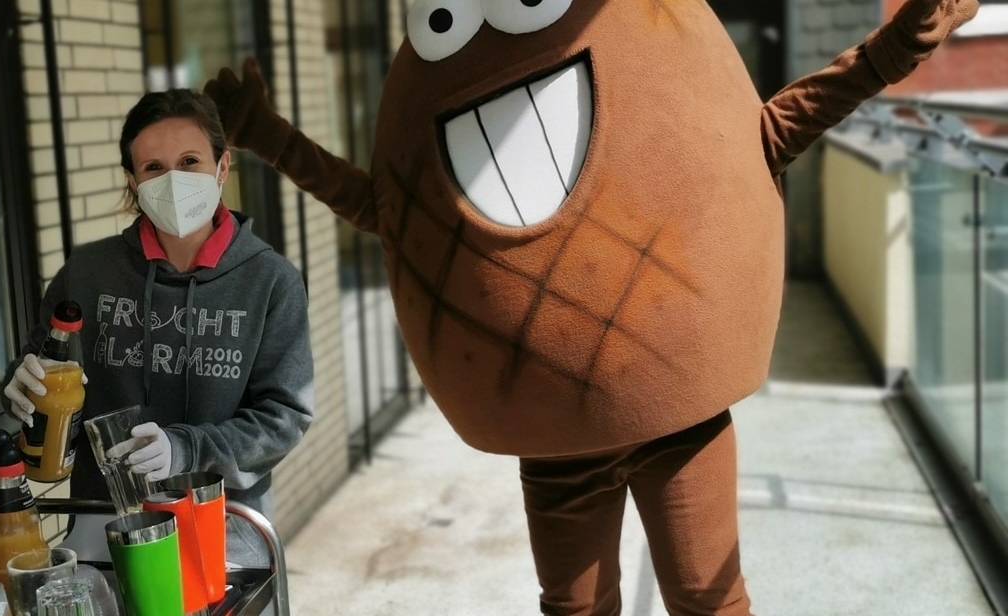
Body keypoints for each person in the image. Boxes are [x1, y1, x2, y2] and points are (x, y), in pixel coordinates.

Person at [203, 0, 976, 612]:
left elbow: (772, 129)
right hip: (555, 445)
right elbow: (382, 204)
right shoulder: (439, 59)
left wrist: (898, 45)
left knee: (708, 599)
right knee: (574, 608)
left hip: (682, 425)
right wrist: (268, 137)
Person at [2, 89, 314, 566]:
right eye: (153, 168)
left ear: (222, 168)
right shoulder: (88, 273)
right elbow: (46, 370)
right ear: (133, 180)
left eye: (190, 161)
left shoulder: (270, 283)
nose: (174, 181)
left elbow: (284, 417)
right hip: (104, 524)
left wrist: (186, 448)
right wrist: (21, 390)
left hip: (224, 526)